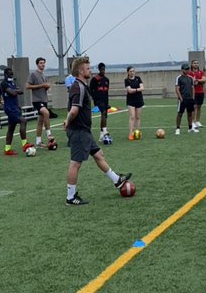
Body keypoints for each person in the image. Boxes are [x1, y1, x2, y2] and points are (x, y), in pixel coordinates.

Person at [62, 55, 133, 206]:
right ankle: (70, 197)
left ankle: (117, 181)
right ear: (81, 71)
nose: (91, 70)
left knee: (99, 154)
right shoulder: (78, 87)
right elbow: (74, 110)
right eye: (88, 68)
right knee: (75, 163)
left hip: (85, 131)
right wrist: (67, 122)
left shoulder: (82, 85)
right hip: (79, 131)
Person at [27, 57, 57, 150]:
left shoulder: (44, 75)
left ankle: (38, 142)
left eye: (43, 63)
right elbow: (27, 86)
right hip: (37, 100)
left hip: (44, 100)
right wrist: (41, 85)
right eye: (41, 63)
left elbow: (44, 87)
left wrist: (47, 87)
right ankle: (49, 134)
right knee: (46, 113)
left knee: (40, 121)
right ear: (37, 64)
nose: (42, 65)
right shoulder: (33, 74)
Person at [2, 67, 29, 156]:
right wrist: (15, 91)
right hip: (10, 109)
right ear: (6, 74)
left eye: (12, 74)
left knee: (11, 128)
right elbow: (13, 93)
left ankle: (7, 149)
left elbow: (21, 91)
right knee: (23, 121)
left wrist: (15, 90)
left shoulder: (12, 83)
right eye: (10, 74)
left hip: (15, 108)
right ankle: (24, 144)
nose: (11, 75)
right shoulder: (4, 84)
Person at [91, 62, 112, 143]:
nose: (103, 71)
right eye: (102, 69)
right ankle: (105, 130)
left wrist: (107, 102)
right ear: (99, 69)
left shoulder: (106, 80)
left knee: (105, 115)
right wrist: (95, 100)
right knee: (103, 113)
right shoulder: (95, 79)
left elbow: (107, 92)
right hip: (98, 100)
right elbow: (91, 90)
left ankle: (101, 135)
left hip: (105, 100)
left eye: (104, 69)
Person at [175, 63, 197, 134]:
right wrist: (180, 98)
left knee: (190, 113)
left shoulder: (190, 78)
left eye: (188, 69)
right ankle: (178, 128)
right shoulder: (179, 78)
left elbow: (193, 88)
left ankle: (190, 128)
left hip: (190, 98)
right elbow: (177, 89)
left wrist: (193, 97)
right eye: (186, 69)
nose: (187, 70)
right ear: (182, 70)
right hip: (182, 99)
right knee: (180, 113)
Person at [124, 66, 145, 140]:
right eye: (130, 71)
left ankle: (138, 132)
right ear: (128, 72)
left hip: (139, 99)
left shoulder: (138, 78)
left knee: (138, 117)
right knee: (132, 117)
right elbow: (129, 90)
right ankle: (130, 134)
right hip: (131, 100)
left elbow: (143, 88)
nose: (132, 72)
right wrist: (137, 89)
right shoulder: (127, 80)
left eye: (133, 71)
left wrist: (134, 90)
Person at [189, 59, 206, 130]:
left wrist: (197, 80)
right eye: (194, 63)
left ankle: (197, 121)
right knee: (194, 107)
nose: (196, 64)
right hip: (193, 92)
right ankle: (192, 122)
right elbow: (189, 81)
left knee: (199, 106)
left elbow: (204, 80)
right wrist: (194, 81)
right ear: (192, 65)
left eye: (197, 63)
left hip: (200, 92)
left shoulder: (201, 72)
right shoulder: (189, 73)